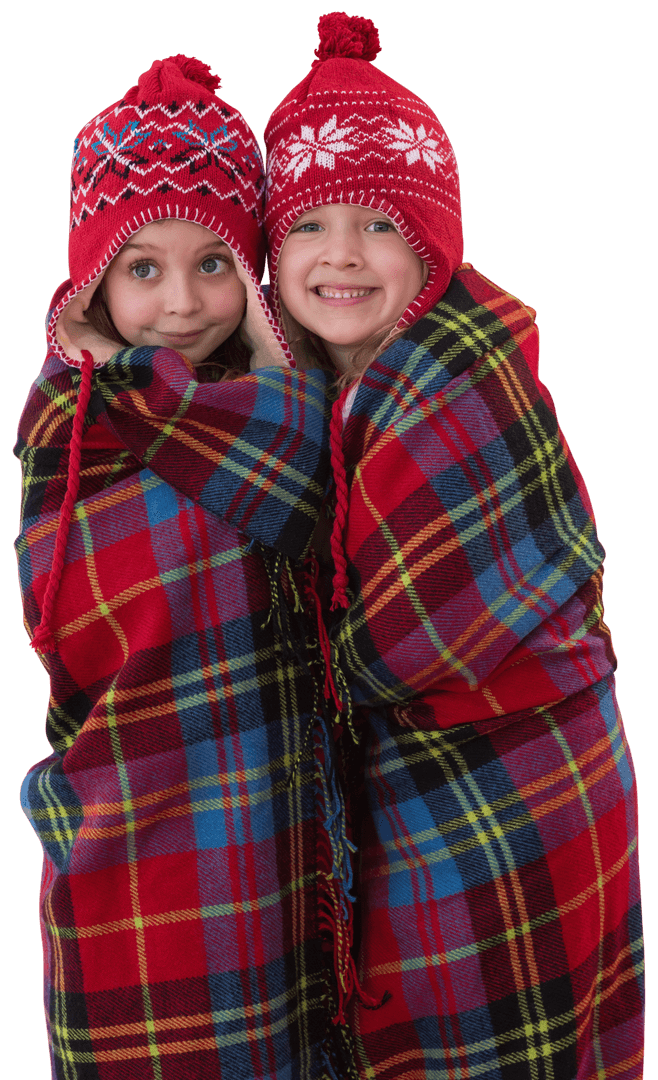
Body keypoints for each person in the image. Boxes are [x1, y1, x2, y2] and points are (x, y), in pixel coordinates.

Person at [263, 13, 645, 1080]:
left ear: (433, 247)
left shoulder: (458, 378)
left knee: (495, 1037)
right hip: (419, 784)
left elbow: (403, 637)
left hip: (519, 784)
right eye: (307, 225)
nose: (341, 255)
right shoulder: (318, 393)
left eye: (380, 224)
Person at [15, 54, 353, 1079]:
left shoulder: (301, 408)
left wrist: (274, 361)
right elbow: (76, 615)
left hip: (274, 812)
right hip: (139, 813)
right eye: (142, 268)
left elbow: (321, 512)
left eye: (214, 262)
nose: (180, 303)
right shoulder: (74, 422)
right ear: (95, 281)